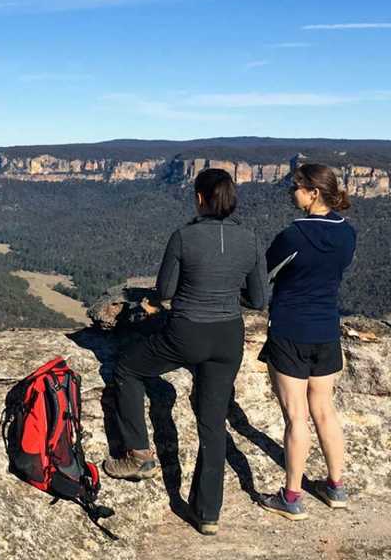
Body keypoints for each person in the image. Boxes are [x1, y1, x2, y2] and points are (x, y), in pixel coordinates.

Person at [103, 168, 267, 535]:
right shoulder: (251, 240)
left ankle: (138, 455)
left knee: (128, 368)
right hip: (228, 338)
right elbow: (258, 299)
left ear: (199, 198)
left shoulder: (184, 237)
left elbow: (164, 291)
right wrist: (226, 294)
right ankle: (207, 513)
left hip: (186, 333)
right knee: (212, 424)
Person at [257, 163, 356, 520]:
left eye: (296, 187)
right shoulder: (348, 233)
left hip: (290, 331)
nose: (290, 193)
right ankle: (335, 486)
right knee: (325, 411)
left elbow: (262, 275)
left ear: (313, 193)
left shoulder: (293, 236)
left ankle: (292, 496)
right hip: (327, 330)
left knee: (296, 416)